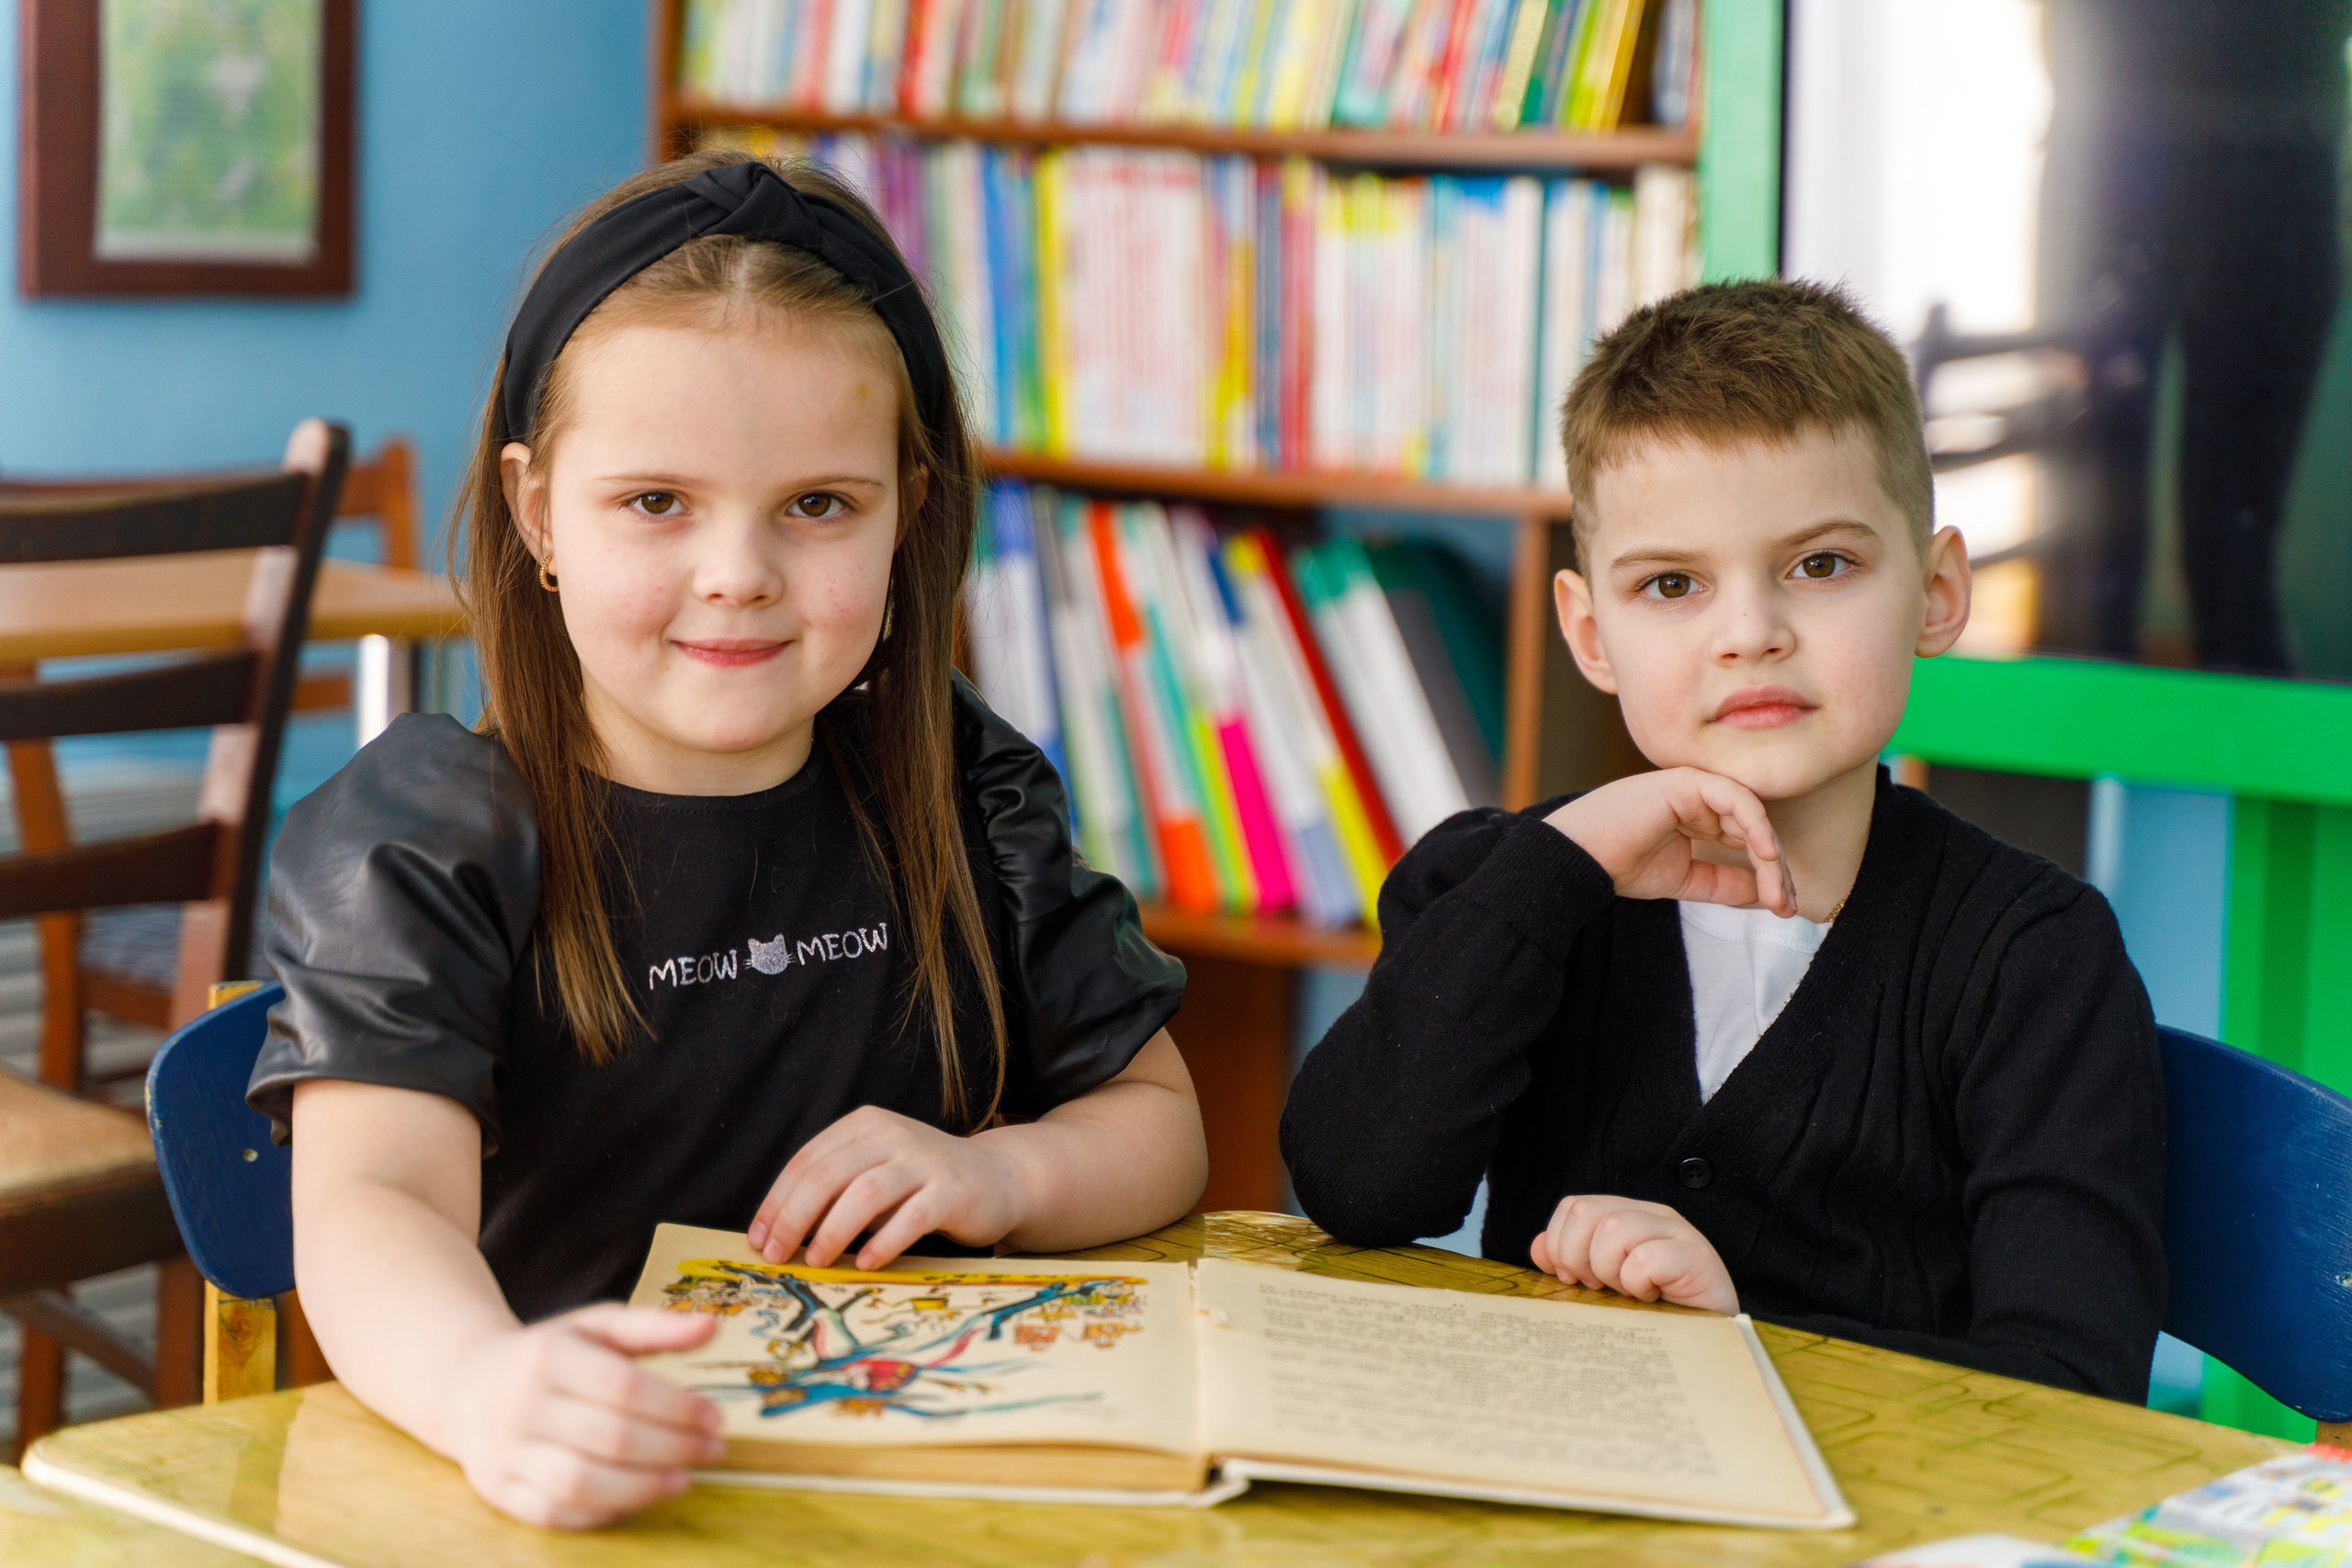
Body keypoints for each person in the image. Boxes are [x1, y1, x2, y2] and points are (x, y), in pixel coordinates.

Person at [249, 151, 1206, 1529]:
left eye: (819, 503)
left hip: (920, 1485)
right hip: (566, 1495)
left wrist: (1003, 1172)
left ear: (907, 512)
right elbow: (371, 1203)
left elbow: (1162, 1125)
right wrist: (483, 1388)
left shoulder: (958, 781)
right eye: (656, 501)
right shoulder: (429, 840)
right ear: (538, 517)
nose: (739, 571)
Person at [1280, 280, 2165, 1402]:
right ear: (1591, 634)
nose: (1749, 633)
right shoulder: (1510, 888)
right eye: (1671, 585)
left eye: (1821, 565)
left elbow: (2072, 1386)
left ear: (1937, 593)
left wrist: (1743, 1334)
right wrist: (1563, 865)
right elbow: (1356, 1188)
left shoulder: (2033, 957)